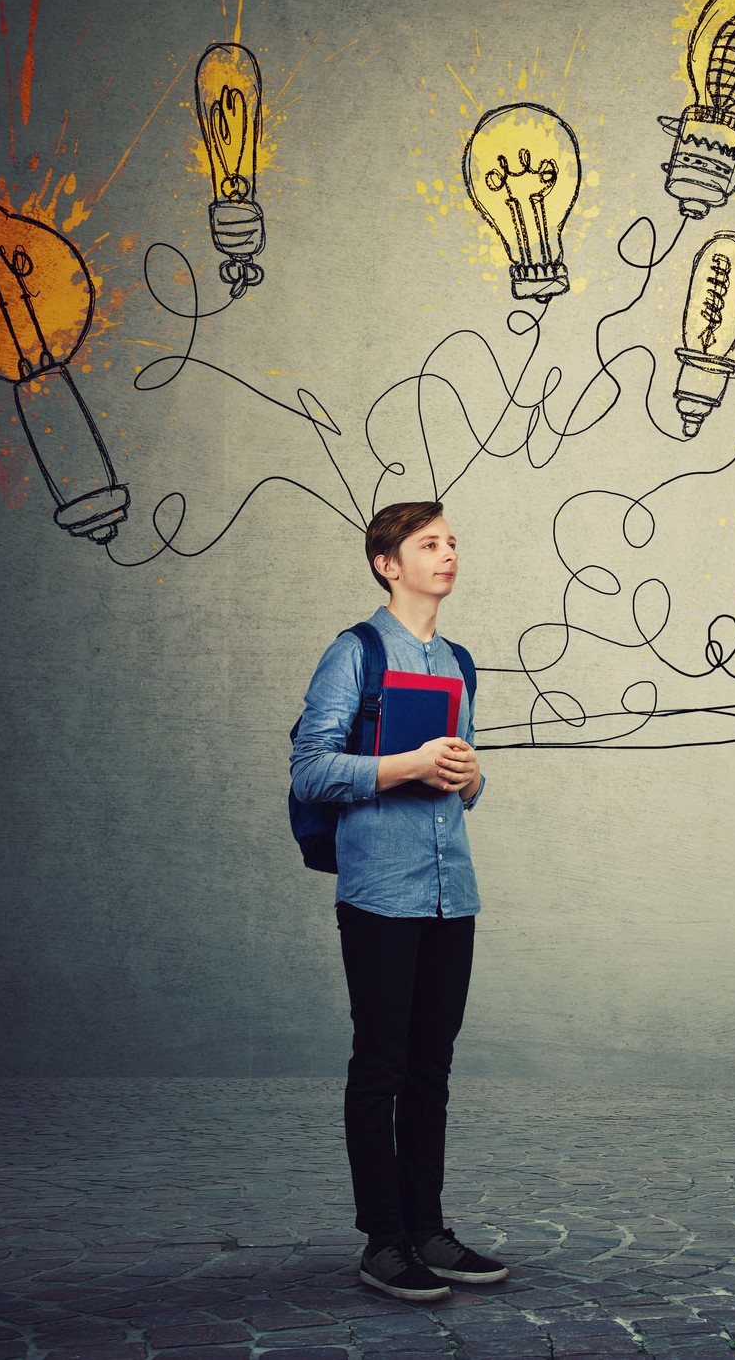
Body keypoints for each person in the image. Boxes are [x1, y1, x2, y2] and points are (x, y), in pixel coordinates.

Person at [290, 501, 509, 1302]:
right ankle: (382, 1238)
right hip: (380, 892)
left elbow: (464, 778)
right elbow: (311, 770)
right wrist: (405, 763)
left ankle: (428, 1229)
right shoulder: (355, 652)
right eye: (430, 543)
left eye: (453, 540)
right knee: (379, 1066)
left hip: (454, 893)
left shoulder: (459, 661)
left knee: (432, 1067)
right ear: (388, 561)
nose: (448, 552)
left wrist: (472, 775)